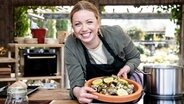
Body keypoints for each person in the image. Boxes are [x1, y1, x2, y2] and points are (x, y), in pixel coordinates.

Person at [64, 0, 141, 103]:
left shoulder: (116, 33)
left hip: (127, 96)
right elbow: (76, 83)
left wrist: (127, 68)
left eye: (89, 22)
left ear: (98, 22)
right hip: (98, 97)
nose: (84, 28)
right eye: (78, 24)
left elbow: (135, 57)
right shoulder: (71, 43)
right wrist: (79, 93)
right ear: (73, 27)